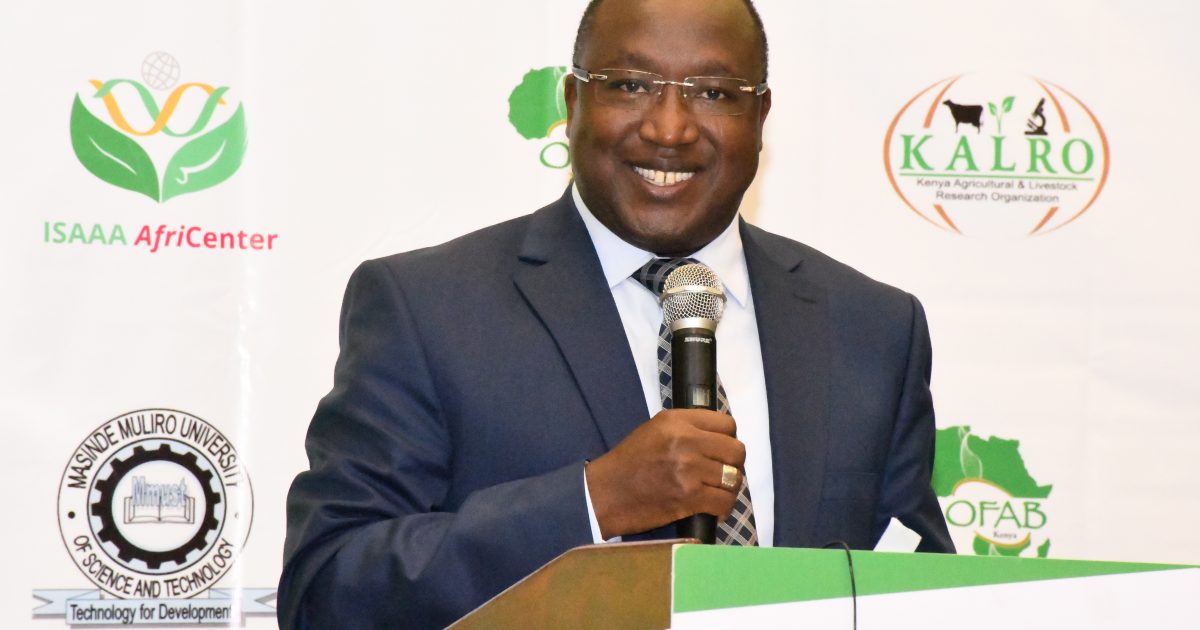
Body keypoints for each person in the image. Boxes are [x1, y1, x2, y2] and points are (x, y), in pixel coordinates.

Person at [279, 0, 953, 627]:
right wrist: (593, 503)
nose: (669, 129)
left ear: (760, 116)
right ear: (573, 101)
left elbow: (930, 594)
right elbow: (327, 586)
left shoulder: (872, 329)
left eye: (714, 93)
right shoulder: (428, 308)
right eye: (630, 85)